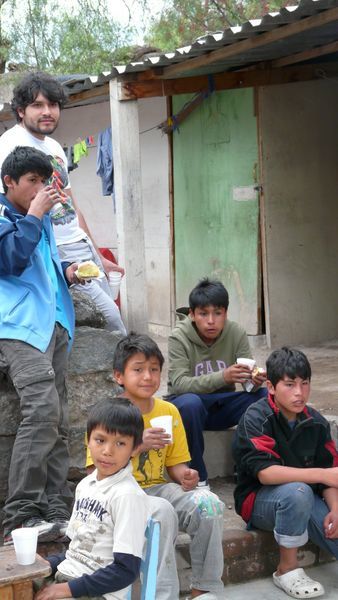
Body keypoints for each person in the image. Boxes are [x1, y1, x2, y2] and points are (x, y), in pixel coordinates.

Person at [87, 332, 225, 600]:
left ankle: (204, 589)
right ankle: (162, 595)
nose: (148, 377)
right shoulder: (109, 415)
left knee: (209, 503)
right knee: (161, 512)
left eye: (154, 369)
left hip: (159, 488)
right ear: (119, 376)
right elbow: (97, 475)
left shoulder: (168, 412)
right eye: (138, 370)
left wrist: (186, 476)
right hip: (121, 493)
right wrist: (138, 446)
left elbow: (176, 466)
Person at [0, 71, 126, 334]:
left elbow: (71, 204)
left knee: (104, 321)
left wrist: (97, 254)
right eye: (38, 105)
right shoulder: (9, 145)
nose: (48, 112)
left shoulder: (55, 147)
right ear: (21, 111)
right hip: (55, 251)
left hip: (79, 246)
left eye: (53, 105)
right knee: (112, 323)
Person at [0, 146, 76, 544]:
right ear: (9, 182)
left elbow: (43, 262)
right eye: (32, 181)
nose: (40, 188)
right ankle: (20, 514)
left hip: (53, 323)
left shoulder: (40, 217)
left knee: (59, 419)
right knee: (43, 410)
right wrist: (33, 214)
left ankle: (57, 505)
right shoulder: (7, 214)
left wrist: (70, 270)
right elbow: (10, 259)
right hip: (16, 327)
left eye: (44, 181)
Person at [233, 347, 338, 599]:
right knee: (298, 491)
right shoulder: (257, 417)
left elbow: (331, 473)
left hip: (306, 499)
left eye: (305, 383)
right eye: (290, 385)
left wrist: (335, 508)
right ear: (270, 387)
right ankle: (287, 570)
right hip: (258, 501)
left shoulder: (316, 422)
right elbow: (266, 474)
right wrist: (322, 476)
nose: (299, 392)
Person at [34, 397, 152, 600]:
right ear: (88, 440)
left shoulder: (127, 497)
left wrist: (65, 590)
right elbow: (78, 550)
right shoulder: (85, 486)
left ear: (134, 449)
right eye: (100, 440)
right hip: (68, 576)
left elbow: (125, 571)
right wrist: (46, 565)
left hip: (99, 593)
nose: (107, 451)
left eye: (120, 443)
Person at [168, 277, 267, 485]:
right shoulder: (179, 337)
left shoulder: (236, 333)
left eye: (218, 313)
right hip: (189, 409)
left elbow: (247, 385)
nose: (211, 321)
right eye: (204, 314)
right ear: (192, 315)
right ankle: (197, 476)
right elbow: (179, 383)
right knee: (189, 402)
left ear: (226, 314)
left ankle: (248, 465)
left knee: (264, 397)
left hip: (222, 405)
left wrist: (254, 380)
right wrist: (223, 376)